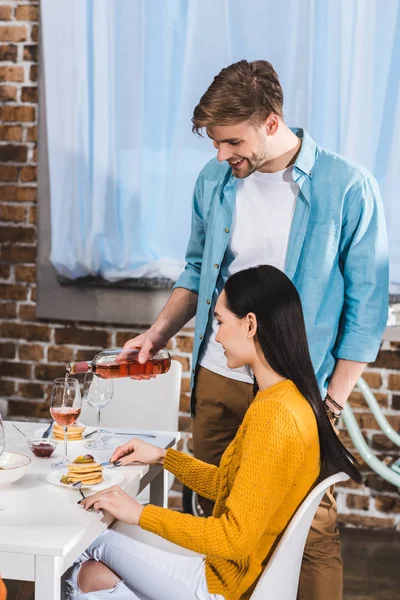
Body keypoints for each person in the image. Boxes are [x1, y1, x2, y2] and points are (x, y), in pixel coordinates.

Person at [122, 60, 389, 599]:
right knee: (217, 512)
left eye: (231, 142)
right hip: (219, 376)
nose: (222, 156)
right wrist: (158, 334)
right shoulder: (215, 180)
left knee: (308, 530)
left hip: (299, 391)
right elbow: (198, 269)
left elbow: (366, 311)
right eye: (216, 144)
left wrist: (331, 402)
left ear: (271, 122)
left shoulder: (349, 187)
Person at [65, 266, 361, 600]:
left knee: (87, 542)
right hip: (230, 572)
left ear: (250, 324)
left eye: (220, 322)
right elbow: (231, 488)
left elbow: (233, 538)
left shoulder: (274, 416)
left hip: (221, 584)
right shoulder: (289, 399)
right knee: (91, 575)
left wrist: (138, 512)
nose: (216, 336)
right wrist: (165, 457)